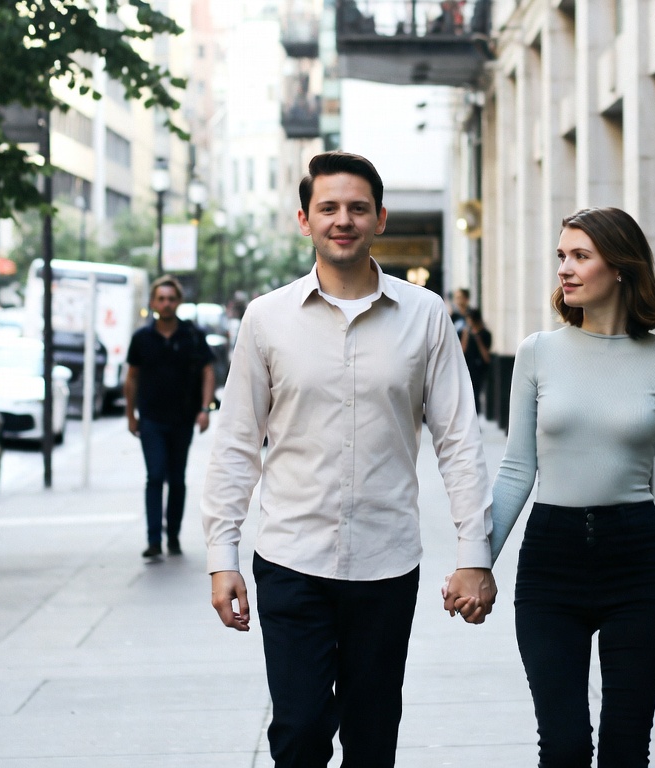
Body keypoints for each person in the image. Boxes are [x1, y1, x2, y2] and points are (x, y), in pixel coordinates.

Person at [202, 150, 498, 768]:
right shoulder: (267, 319)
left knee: (372, 736)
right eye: (329, 207)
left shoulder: (425, 316)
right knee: (300, 731)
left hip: (386, 566)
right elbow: (235, 441)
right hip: (290, 559)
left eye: (358, 208)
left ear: (380, 219)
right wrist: (220, 554)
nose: (344, 219)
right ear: (304, 220)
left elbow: (458, 440)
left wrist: (475, 554)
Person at [480, 207, 655, 767]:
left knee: (626, 751)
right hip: (550, 561)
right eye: (561, 256)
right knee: (565, 746)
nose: (564, 269)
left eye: (580, 256)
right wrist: (476, 560)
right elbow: (516, 469)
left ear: (621, 268)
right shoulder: (537, 353)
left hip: (635, 561)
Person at [125, 276, 215, 559]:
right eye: (161, 299)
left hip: (182, 418)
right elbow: (131, 378)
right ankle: (154, 540)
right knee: (155, 476)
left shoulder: (192, 335)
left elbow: (208, 371)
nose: (166, 304)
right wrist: (131, 415)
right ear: (153, 303)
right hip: (151, 418)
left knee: (177, 479)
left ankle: (173, 535)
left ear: (178, 302)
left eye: (171, 299)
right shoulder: (142, 338)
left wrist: (204, 409)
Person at [460, 307, 492, 414]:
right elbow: (462, 350)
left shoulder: (485, 334)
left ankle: (475, 417)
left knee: (476, 393)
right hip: (467, 366)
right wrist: (465, 336)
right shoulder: (466, 333)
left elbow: (486, 356)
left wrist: (478, 339)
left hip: (479, 368)